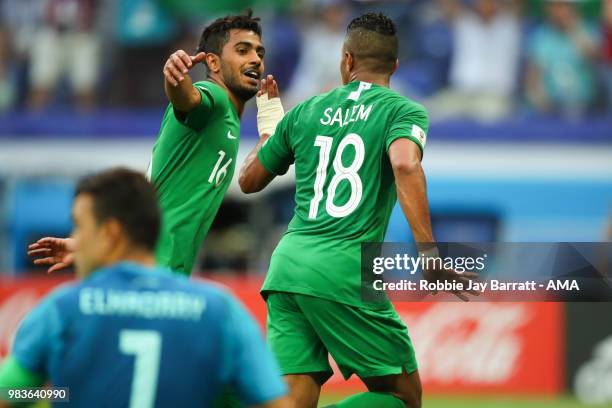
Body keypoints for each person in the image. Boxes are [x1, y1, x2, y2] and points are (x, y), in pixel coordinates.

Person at [239, 12, 477, 408]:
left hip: (287, 267)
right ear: (395, 67)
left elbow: (249, 180)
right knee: (402, 399)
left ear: (346, 60)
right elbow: (404, 163)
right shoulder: (404, 111)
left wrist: (269, 126)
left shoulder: (305, 110)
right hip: (345, 269)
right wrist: (429, 254)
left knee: (292, 400)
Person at [0, 168, 289, 407]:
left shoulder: (63, 308)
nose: (73, 239)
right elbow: (272, 402)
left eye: (78, 226)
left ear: (111, 233)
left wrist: (56, 391)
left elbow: (9, 394)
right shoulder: (220, 310)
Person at [29, 10, 283, 275]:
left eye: (260, 53)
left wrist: (94, 246)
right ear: (214, 63)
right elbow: (188, 98)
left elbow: (156, 196)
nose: (256, 60)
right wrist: (175, 79)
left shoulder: (225, 120)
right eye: (243, 50)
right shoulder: (214, 99)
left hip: (152, 267)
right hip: (156, 272)